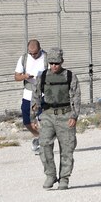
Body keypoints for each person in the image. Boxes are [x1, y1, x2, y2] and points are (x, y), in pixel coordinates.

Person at [30, 47, 80, 190]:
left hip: (66, 115)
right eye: (51, 63)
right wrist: (33, 117)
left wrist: (74, 116)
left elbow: (76, 96)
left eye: (56, 63)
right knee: (44, 145)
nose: (54, 66)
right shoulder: (43, 77)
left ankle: (64, 178)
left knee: (67, 148)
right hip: (48, 115)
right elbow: (36, 96)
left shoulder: (69, 76)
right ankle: (50, 175)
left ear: (62, 62)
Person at [15, 39, 47, 153]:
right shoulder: (23, 59)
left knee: (42, 118)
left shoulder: (46, 58)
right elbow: (16, 76)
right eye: (31, 53)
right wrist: (25, 76)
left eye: (35, 53)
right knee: (27, 121)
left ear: (40, 49)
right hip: (28, 94)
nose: (33, 55)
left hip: (43, 93)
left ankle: (44, 143)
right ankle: (39, 137)